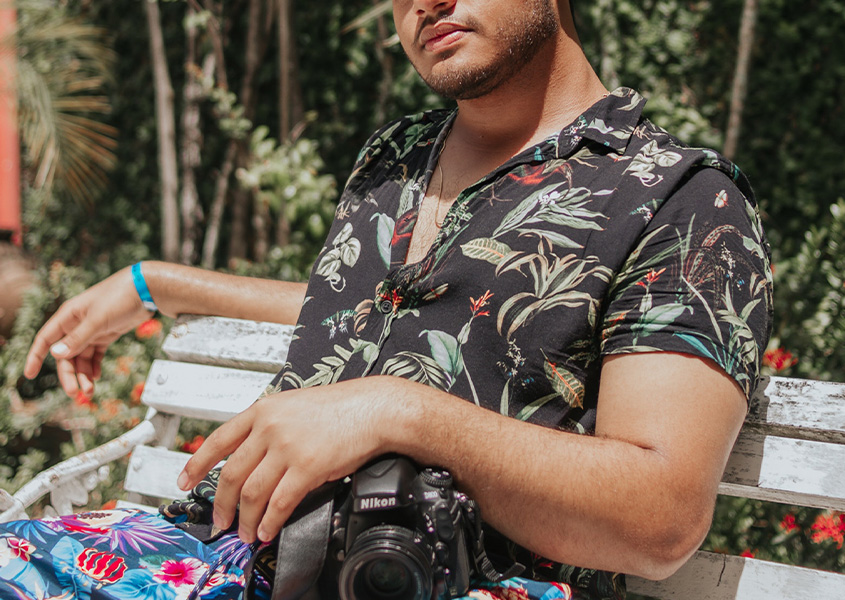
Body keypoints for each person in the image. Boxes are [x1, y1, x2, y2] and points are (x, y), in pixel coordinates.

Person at [2, 1, 772, 599]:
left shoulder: (680, 200)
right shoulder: (394, 159)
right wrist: (156, 285)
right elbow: (359, 309)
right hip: (208, 549)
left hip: (436, 572)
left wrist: (396, 411)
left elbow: (661, 518)